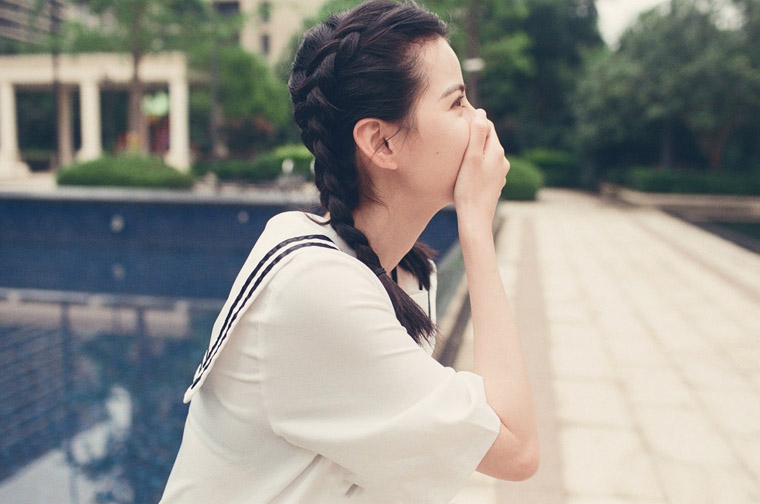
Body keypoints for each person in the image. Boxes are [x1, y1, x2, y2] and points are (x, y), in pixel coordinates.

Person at [159, 1, 538, 502]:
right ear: (381, 144)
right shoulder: (316, 288)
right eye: (457, 103)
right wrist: (476, 226)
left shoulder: (401, 270)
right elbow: (516, 448)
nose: (480, 121)